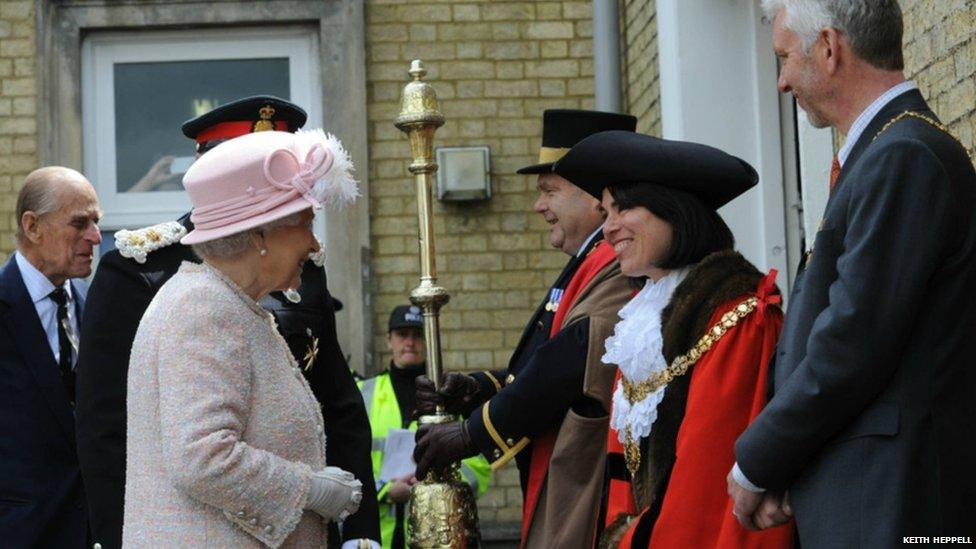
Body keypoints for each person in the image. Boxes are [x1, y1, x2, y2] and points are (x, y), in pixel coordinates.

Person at [75, 96, 380, 549]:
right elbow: (174, 450)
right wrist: (311, 489)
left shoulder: (235, 295)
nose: (314, 243)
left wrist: (357, 533)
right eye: (301, 220)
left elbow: (337, 406)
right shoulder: (192, 298)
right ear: (258, 228)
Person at [729, 0, 976, 545]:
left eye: (784, 57)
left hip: (892, 503)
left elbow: (853, 339)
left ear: (829, 48)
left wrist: (758, 460)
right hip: (873, 496)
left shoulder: (902, 155)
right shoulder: (887, 150)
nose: (782, 81)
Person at [553, 131, 794, 548]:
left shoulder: (735, 316)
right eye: (605, 212)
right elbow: (623, 471)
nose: (608, 229)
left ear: (674, 211)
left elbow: (704, 483)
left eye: (623, 208)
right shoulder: (640, 321)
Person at [413, 109, 636, 547]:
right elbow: (542, 360)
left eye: (549, 191)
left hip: (590, 488)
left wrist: (469, 434)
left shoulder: (614, 266)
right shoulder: (589, 264)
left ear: (595, 198)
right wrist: (478, 388)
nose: (539, 206)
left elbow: (567, 363)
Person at [0, 167, 102, 547]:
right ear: (32, 227)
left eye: (96, 222)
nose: (94, 236)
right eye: (80, 223)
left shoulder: (95, 307)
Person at [358, 305, 491, 548]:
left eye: (417, 335)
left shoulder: (450, 396)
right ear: (389, 340)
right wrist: (385, 490)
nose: (410, 342)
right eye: (402, 334)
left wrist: (436, 486)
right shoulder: (363, 394)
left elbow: (479, 466)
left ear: (427, 340)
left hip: (436, 533)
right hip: (375, 537)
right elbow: (348, 461)